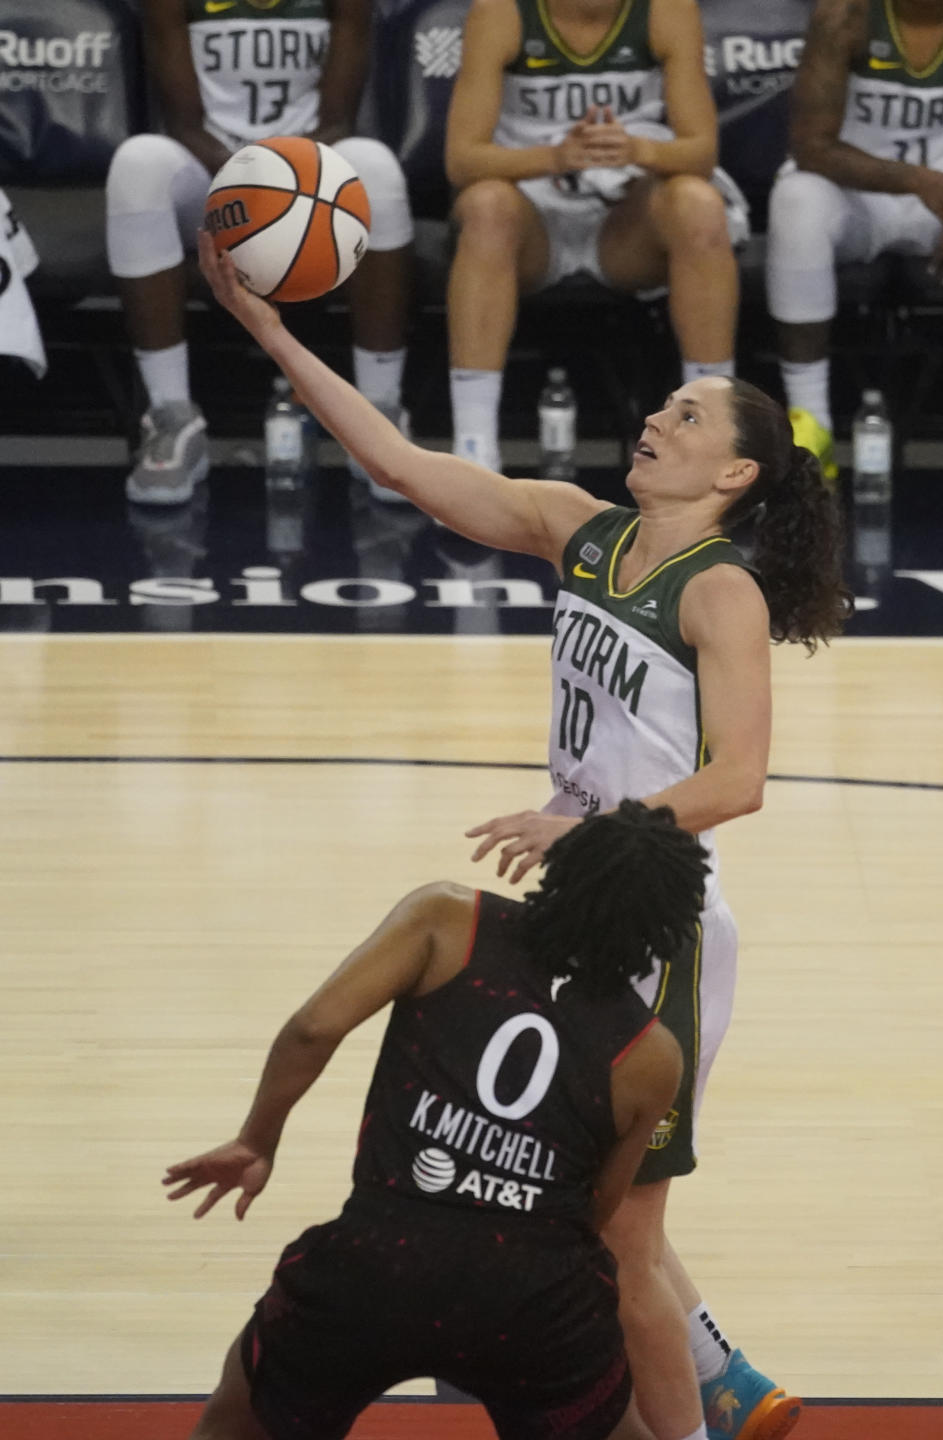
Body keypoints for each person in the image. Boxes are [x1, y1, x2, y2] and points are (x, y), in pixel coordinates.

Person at [196, 229, 853, 1440]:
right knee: (591, 1209)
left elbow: (743, 780)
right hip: (579, 902)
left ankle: (703, 1421)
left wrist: (588, 828)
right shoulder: (580, 529)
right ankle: (730, 1384)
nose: (660, 417)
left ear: (734, 477)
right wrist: (273, 330)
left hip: (658, 921)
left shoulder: (721, 590)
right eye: (665, 404)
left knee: (613, 1235)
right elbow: (398, 463)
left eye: (691, 416)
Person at [164, 801, 708, 1440]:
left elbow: (314, 1029)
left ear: (562, 867)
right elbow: (598, 1206)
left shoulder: (449, 920)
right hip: (533, 1299)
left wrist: (259, 1139)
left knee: (235, 1418)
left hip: (376, 1262)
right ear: (666, 928)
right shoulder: (651, 1055)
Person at [106, 0, 415, 505]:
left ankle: (380, 415)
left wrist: (281, 183)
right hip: (210, 165)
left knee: (376, 167)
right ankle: (171, 416)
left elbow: (339, 119)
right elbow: (183, 123)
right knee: (137, 164)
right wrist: (248, 183)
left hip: (311, 167)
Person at [443, 0, 750, 471]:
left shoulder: (665, 10)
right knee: (486, 206)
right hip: (531, 223)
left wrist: (638, 148)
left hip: (622, 226)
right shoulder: (502, 12)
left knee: (699, 205)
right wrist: (556, 158)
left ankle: (712, 436)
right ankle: (473, 446)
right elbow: (462, 160)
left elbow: (701, 153)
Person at [766, 0, 943, 480]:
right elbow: (811, 147)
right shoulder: (846, 16)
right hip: (861, 196)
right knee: (796, 200)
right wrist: (917, 180)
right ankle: (812, 429)